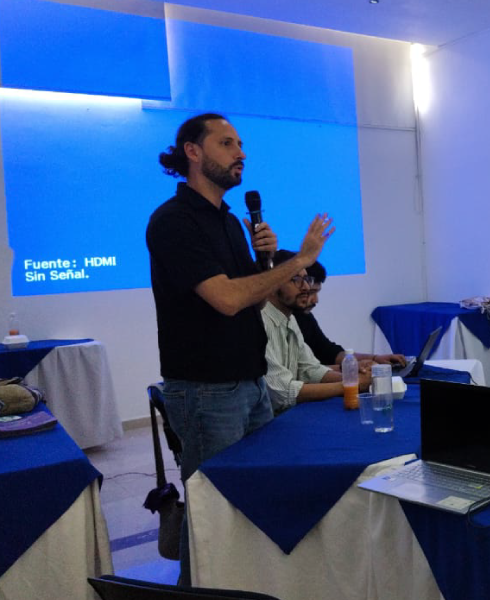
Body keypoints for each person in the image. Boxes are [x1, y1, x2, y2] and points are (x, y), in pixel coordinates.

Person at [146, 113, 333, 582]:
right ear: (193, 152)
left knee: (255, 503)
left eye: (241, 144)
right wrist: (299, 260)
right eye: (227, 143)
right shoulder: (174, 222)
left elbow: (253, 297)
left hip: (250, 383)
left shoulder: (230, 222)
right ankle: (198, 590)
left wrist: (264, 261)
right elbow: (227, 299)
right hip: (207, 391)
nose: (241, 153)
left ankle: (251, 585)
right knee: (213, 514)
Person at [262, 252, 373, 414]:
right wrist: (350, 385)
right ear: (272, 285)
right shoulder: (260, 323)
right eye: (295, 279)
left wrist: (355, 377)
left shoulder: (290, 318)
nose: (306, 287)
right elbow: (283, 392)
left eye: (306, 279)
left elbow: (310, 369)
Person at [279, 251, 406, 369]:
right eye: (311, 292)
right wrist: (351, 369)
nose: (315, 300)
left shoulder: (304, 318)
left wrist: (375, 359)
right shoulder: (276, 323)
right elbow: (300, 373)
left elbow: (329, 352)